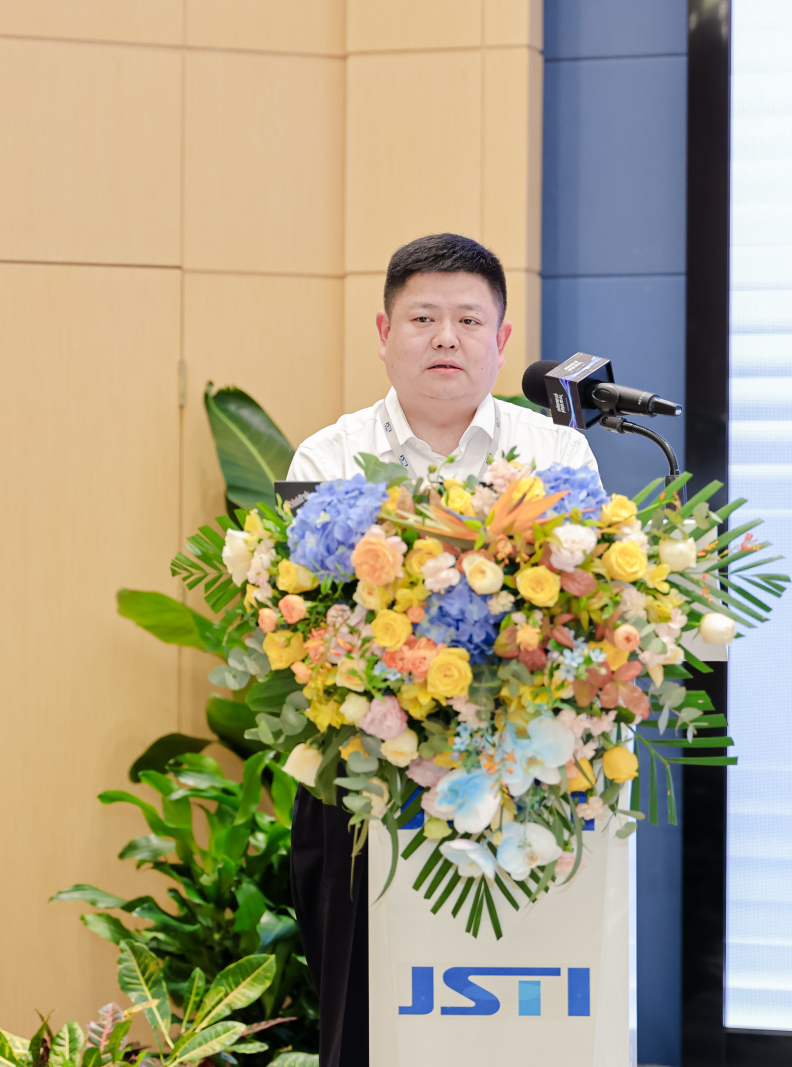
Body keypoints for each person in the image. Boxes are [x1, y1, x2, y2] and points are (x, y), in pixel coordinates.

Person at [284, 232, 597, 1066]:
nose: (446, 337)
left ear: (502, 339)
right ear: (385, 333)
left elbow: (590, 609)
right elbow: (299, 623)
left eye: (468, 319)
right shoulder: (328, 457)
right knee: (365, 1024)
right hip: (361, 785)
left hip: (524, 782)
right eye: (423, 318)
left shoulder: (556, 454)